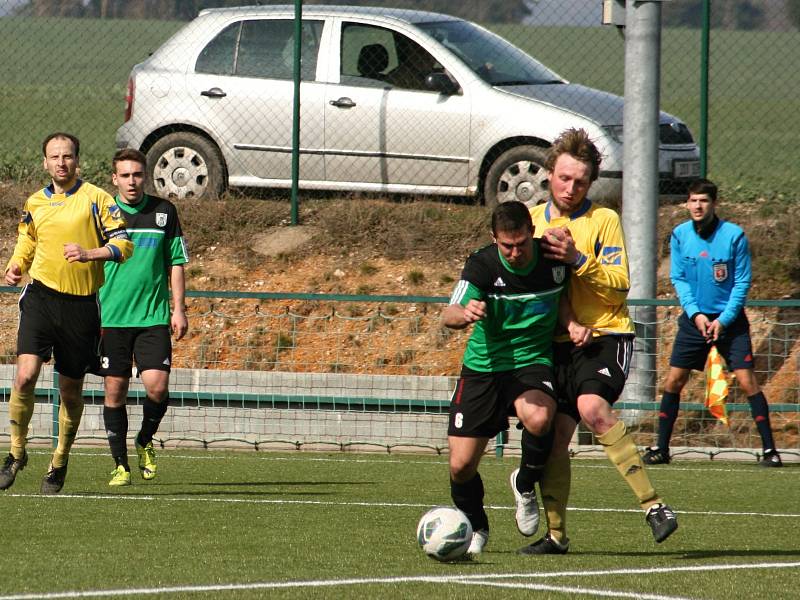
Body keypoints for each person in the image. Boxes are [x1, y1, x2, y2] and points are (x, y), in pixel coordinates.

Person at [511, 128, 678, 555]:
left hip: (606, 334)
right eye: (564, 178)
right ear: (549, 174)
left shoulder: (602, 220)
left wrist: (577, 259)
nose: (570, 188)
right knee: (554, 438)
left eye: (580, 181)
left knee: (591, 408)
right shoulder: (530, 223)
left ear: (591, 183)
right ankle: (556, 536)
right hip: (556, 342)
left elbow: (621, 283)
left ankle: (654, 505)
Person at [0, 132, 133, 494]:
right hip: (41, 298)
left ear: (78, 160)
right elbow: (27, 239)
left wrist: (90, 254)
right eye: (54, 157)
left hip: (81, 306)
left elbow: (124, 244)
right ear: (44, 162)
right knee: (25, 376)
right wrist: (15, 264)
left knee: (70, 391)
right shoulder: (35, 202)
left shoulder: (97, 199)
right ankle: (15, 454)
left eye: (68, 156)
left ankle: (58, 461)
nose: (61, 162)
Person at [442, 200, 572, 558]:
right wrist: (465, 313)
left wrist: (572, 323)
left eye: (520, 244)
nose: (514, 252)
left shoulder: (553, 258)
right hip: (484, 366)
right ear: (494, 239)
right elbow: (448, 313)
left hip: (531, 361)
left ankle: (524, 483)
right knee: (460, 465)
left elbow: (566, 294)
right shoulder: (481, 264)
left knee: (540, 417)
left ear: (532, 232)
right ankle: (476, 524)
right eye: (506, 245)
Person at [643, 178, 782, 467]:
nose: (697, 206)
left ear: (714, 204)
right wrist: (696, 315)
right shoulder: (680, 235)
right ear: (687, 203)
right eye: (693, 200)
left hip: (730, 323)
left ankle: (770, 450)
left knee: (747, 381)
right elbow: (678, 278)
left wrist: (725, 319)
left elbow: (742, 282)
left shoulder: (734, 236)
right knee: (674, 380)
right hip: (695, 320)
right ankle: (662, 448)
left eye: (703, 201)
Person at [100, 149, 189, 486]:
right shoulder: (103, 215)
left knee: (157, 387)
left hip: (152, 316)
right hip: (111, 318)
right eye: (125, 175)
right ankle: (120, 465)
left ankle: (144, 440)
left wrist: (178, 308)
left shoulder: (164, 211)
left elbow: (175, 263)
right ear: (114, 179)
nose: (132, 181)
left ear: (146, 175)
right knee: (115, 391)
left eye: (137, 174)